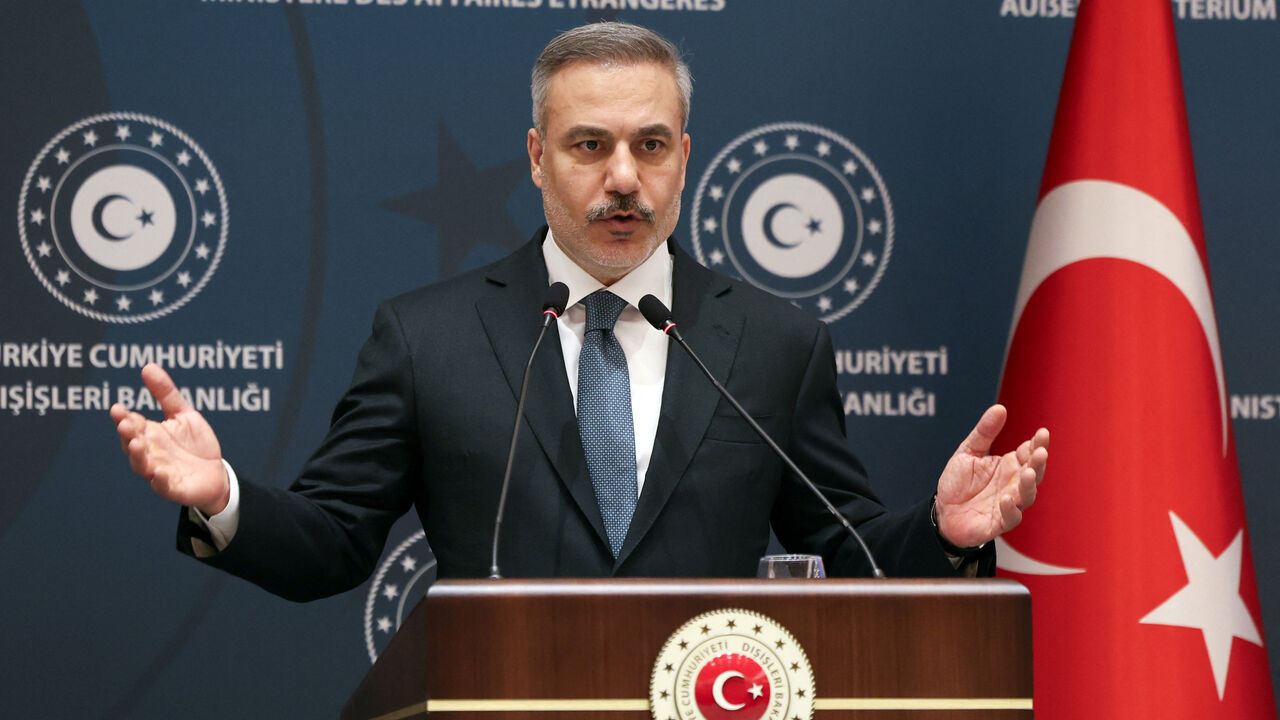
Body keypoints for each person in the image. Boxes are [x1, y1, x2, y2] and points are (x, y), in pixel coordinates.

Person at [110, 22, 1048, 601]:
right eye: (589, 145)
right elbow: (332, 544)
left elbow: (849, 552)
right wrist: (224, 497)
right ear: (536, 157)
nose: (624, 178)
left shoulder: (775, 342)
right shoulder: (427, 338)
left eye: (651, 145)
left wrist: (940, 529)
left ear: (685, 156)